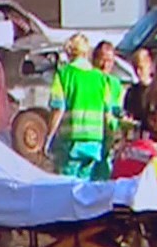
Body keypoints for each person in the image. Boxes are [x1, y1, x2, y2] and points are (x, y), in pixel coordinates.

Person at [44, 33, 111, 181]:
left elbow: (58, 108)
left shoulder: (64, 75)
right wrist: (109, 140)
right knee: (87, 185)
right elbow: (107, 113)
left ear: (69, 52)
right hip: (95, 142)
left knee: (68, 184)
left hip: (71, 141)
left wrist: (49, 136)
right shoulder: (100, 78)